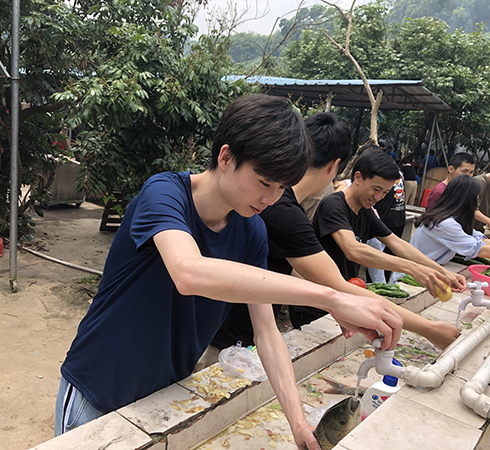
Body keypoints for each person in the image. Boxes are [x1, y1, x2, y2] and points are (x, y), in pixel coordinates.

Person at [55, 95, 403, 449]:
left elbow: (267, 333)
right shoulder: (164, 194)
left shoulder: (252, 231)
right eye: (264, 182)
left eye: (282, 187)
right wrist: (332, 297)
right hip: (97, 389)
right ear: (225, 157)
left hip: (160, 398)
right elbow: (189, 273)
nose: (271, 198)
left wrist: (298, 422)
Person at [211, 114, 458, 355]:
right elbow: (345, 267)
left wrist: (335, 302)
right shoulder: (289, 210)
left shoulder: (278, 206)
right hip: (225, 337)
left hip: (246, 330)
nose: (378, 197)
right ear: (335, 166)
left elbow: (289, 269)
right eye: (376, 189)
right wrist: (429, 328)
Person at [313, 147, 466, 297]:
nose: (378, 197)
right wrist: (411, 268)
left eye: (385, 192)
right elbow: (353, 250)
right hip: (319, 291)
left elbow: (397, 243)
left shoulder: (365, 210)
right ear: (358, 177)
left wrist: (443, 272)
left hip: (342, 290)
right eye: (376, 189)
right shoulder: (333, 205)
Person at [411, 175, 490, 266]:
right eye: (476, 198)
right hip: (417, 271)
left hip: (430, 267)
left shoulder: (454, 218)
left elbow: (479, 238)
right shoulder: (445, 223)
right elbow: (478, 249)